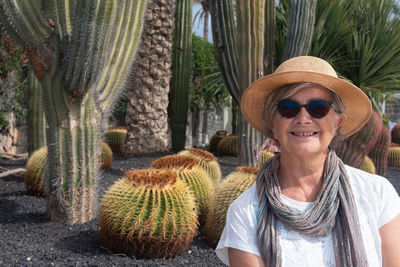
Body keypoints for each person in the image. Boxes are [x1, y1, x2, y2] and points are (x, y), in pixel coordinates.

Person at [215, 56, 400, 267]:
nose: (303, 118)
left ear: (337, 122)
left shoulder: (378, 195)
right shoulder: (246, 212)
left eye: (318, 107)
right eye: (288, 107)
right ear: (272, 124)